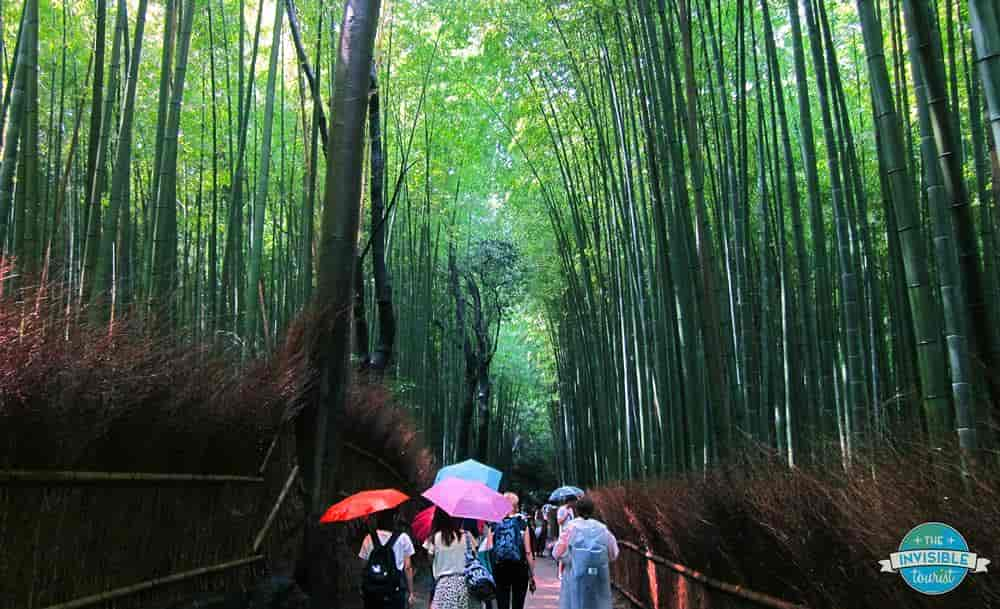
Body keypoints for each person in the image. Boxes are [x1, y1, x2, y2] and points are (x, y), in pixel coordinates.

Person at [553, 497, 619, 609]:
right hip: (598, 575)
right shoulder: (602, 529)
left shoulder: (571, 528)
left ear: (577, 510)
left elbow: (557, 553)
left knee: (575, 603)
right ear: (593, 510)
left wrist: (568, 558)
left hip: (575, 575)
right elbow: (614, 553)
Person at [484, 493, 536, 609]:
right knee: (518, 603)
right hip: (520, 567)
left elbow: (489, 549)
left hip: (500, 567)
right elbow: (528, 552)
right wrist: (532, 575)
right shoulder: (522, 523)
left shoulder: (494, 523)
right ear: (516, 506)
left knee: (502, 602)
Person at [358, 509, 416, 609]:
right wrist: (411, 592)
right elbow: (408, 567)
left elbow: (363, 565)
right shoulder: (403, 538)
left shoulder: (369, 538)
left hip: (373, 590)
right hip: (394, 591)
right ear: (395, 518)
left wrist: (362, 585)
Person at [424, 508, 478, 609]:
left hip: (443, 586)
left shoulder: (436, 537)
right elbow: (474, 556)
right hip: (465, 585)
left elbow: (430, 559)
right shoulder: (466, 536)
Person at [555, 495, 578, 579]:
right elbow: (559, 522)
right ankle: (560, 573)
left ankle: (568, 571)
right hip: (563, 534)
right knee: (563, 553)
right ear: (569, 501)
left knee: (570, 552)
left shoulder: (571, 510)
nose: (575, 503)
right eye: (574, 502)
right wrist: (566, 515)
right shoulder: (561, 509)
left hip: (571, 533)